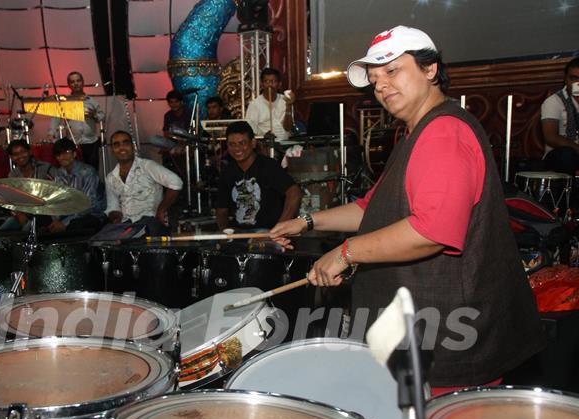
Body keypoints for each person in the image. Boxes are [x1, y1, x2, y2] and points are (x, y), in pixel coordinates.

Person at [270, 26, 545, 394]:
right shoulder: (418, 132)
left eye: (392, 71)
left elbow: (430, 231)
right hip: (425, 337)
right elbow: (373, 209)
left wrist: (346, 253)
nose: (381, 86)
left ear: (430, 70)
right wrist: (306, 222)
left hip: (450, 343)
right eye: (374, 78)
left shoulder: (444, 133)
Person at [216, 121, 302, 230]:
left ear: (253, 143)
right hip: (238, 235)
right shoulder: (227, 171)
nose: (237, 148)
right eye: (232, 144)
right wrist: (224, 234)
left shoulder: (268, 166)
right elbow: (221, 209)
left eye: (242, 143)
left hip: (266, 234)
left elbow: (294, 193)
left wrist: (280, 228)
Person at [104, 131, 183, 235]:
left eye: (126, 143)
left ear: (133, 146)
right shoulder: (110, 177)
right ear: (112, 150)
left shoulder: (147, 166)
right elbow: (113, 207)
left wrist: (161, 209)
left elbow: (176, 182)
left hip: (151, 226)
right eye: (117, 144)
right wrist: (116, 219)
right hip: (127, 229)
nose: (121, 148)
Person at [541, 55, 579, 176]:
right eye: (573, 78)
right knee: (566, 155)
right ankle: (569, 193)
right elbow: (551, 137)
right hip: (562, 156)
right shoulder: (554, 101)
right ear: (566, 79)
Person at [47, 71, 105, 171]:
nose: (76, 83)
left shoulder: (91, 101)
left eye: (78, 80)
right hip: (73, 143)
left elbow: (102, 117)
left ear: (83, 82)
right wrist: (51, 133)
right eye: (72, 82)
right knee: (75, 171)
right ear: (69, 85)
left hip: (91, 142)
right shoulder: (65, 101)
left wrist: (94, 115)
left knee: (92, 170)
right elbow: (56, 118)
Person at [48, 138, 105, 233]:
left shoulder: (87, 172)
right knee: (42, 221)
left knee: (75, 225)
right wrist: (56, 220)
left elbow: (88, 204)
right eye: (58, 154)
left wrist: (64, 223)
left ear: (74, 154)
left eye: (66, 152)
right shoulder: (59, 173)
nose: (62, 157)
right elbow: (57, 201)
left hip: (93, 214)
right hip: (71, 213)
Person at [0, 139, 56, 232]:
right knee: (0, 232)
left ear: (29, 152)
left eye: (23, 152)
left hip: (45, 213)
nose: (20, 156)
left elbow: (58, 192)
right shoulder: (13, 175)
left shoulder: (45, 168)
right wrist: (18, 214)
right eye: (15, 154)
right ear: (12, 158)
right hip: (24, 213)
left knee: (26, 232)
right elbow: (10, 200)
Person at [245, 67, 295, 141]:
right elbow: (250, 132)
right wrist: (263, 136)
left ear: (279, 84)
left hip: (285, 143)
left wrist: (288, 106)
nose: (270, 85)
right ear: (262, 84)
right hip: (265, 144)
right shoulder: (254, 105)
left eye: (273, 81)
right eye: (266, 81)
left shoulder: (286, 100)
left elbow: (288, 128)